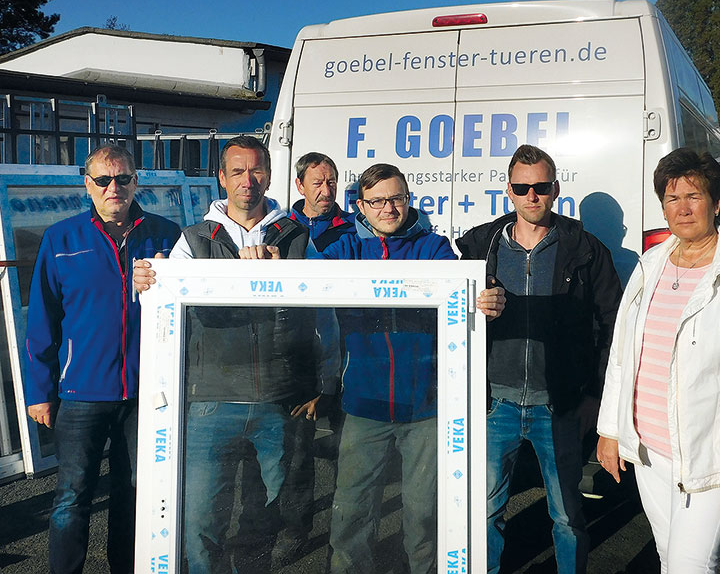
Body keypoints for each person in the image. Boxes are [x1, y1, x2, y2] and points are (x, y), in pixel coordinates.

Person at [135, 135, 339, 571]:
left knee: (262, 518)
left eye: (257, 170)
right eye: (238, 171)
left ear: (268, 174)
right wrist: (148, 285)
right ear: (222, 178)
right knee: (199, 518)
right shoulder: (193, 240)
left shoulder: (298, 239)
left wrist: (324, 383)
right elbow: (166, 313)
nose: (249, 180)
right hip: (210, 401)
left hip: (279, 402)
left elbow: (328, 312)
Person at [596, 148, 720, 573]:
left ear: (717, 203)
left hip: (710, 459)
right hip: (649, 452)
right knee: (671, 558)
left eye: (693, 196)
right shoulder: (651, 264)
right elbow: (622, 355)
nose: (682, 208)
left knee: (689, 565)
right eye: (671, 198)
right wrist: (611, 429)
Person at [320, 163, 504, 574]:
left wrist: (483, 302)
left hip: (425, 407)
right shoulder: (342, 248)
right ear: (360, 206)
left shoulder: (433, 248)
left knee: (424, 512)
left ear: (408, 199)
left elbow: (466, 295)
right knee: (352, 510)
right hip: (363, 404)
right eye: (378, 200)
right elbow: (300, 279)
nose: (389, 208)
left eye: (397, 198)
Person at [457, 144, 622, 574]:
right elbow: (451, 313)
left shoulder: (585, 250)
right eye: (522, 187)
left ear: (555, 189)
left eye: (541, 187)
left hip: (560, 406)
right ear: (508, 191)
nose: (532, 196)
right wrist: (471, 305)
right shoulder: (479, 247)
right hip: (496, 404)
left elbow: (613, 327)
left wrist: (594, 397)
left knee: (567, 516)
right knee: (484, 511)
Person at [24, 144, 181, 573]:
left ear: (137, 181)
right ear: (87, 185)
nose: (114, 187)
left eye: (124, 178)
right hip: (80, 393)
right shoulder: (62, 237)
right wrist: (40, 392)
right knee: (72, 497)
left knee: (134, 494)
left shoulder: (167, 235)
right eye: (103, 180)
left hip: (146, 393)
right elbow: (42, 321)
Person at [289, 151, 355, 252]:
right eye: (317, 183)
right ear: (300, 186)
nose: (327, 192)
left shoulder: (355, 228)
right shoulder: (282, 229)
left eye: (331, 183)